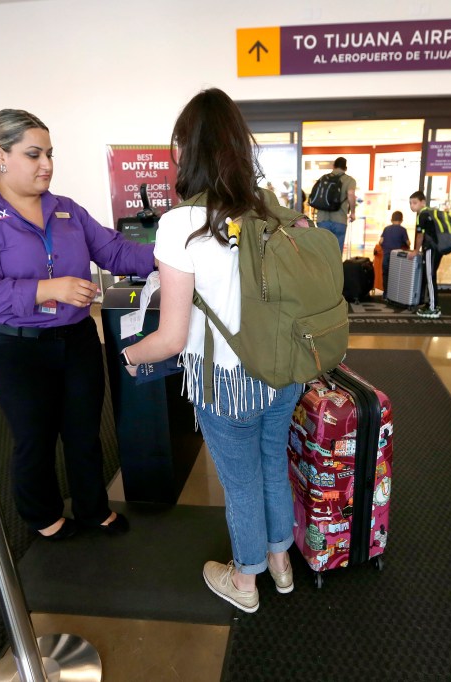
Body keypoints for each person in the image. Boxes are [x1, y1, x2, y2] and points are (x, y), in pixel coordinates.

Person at [117, 88, 302, 613]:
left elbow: (171, 339)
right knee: (272, 464)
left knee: (241, 483)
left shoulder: (182, 224)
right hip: (284, 371)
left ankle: (246, 582)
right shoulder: (274, 214)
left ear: (187, 150)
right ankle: (281, 564)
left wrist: (130, 355)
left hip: (227, 382)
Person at [0, 109, 155, 541]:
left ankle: (94, 509)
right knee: (34, 439)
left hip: (76, 341)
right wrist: (45, 289)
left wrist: (179, 250)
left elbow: (116, 252)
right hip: (17, 349)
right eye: (34, 154)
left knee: (84, 434)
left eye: (50, 154)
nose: (47, 165)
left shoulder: (66, 210)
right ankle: (42, 516)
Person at [409, 190, 442, 318]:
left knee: (430, 276)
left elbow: (420, 235)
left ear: (423, 202)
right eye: (410, 203)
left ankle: (433, 308)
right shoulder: (432, 212)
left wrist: (416, 251)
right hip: (438, 248)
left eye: (415, 203)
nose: (412, 206)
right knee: (431, 276)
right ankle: (433, 304)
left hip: (430, 249)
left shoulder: (422, 215)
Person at [315, 156, 357, 253]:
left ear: (333, 166)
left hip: (322, 219)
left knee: (323, 252)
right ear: (345, 168)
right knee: (337, 253)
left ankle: (323, 268)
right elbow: (351, 194)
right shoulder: (349, 180)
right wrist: (353, 213)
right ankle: (336, 268)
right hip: (340, 220)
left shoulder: (323, 178)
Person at [378, 210, 411, 298]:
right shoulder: (403, 230)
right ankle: (395, 295)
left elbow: (380, 241)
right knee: (396, 276)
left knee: (386, 275)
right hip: (397, 258)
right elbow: (408, 243)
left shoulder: (386, 229)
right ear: (401, 220)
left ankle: (385, 294)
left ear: (391, 220)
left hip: (386, 256)